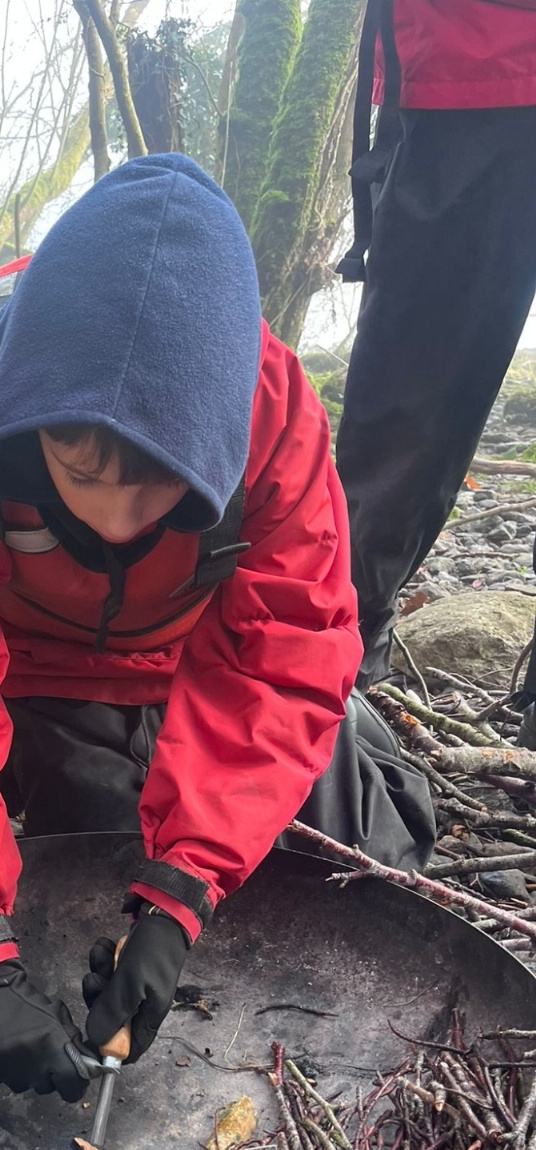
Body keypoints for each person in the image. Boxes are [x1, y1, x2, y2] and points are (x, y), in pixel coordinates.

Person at [0, 156, 436, 1104]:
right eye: (82, 477)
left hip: (204, 661)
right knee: (83, 880)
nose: (117, 522)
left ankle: (347, 751)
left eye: (158, 489)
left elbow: (283, 655)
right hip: (43, 677)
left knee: (358, 866)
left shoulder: (274, 422)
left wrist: (181, 894)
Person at [334, 0, 536, 749]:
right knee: (405, 412)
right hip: (462, 72)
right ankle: (331, 656)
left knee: (407, 408)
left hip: (460, 73)